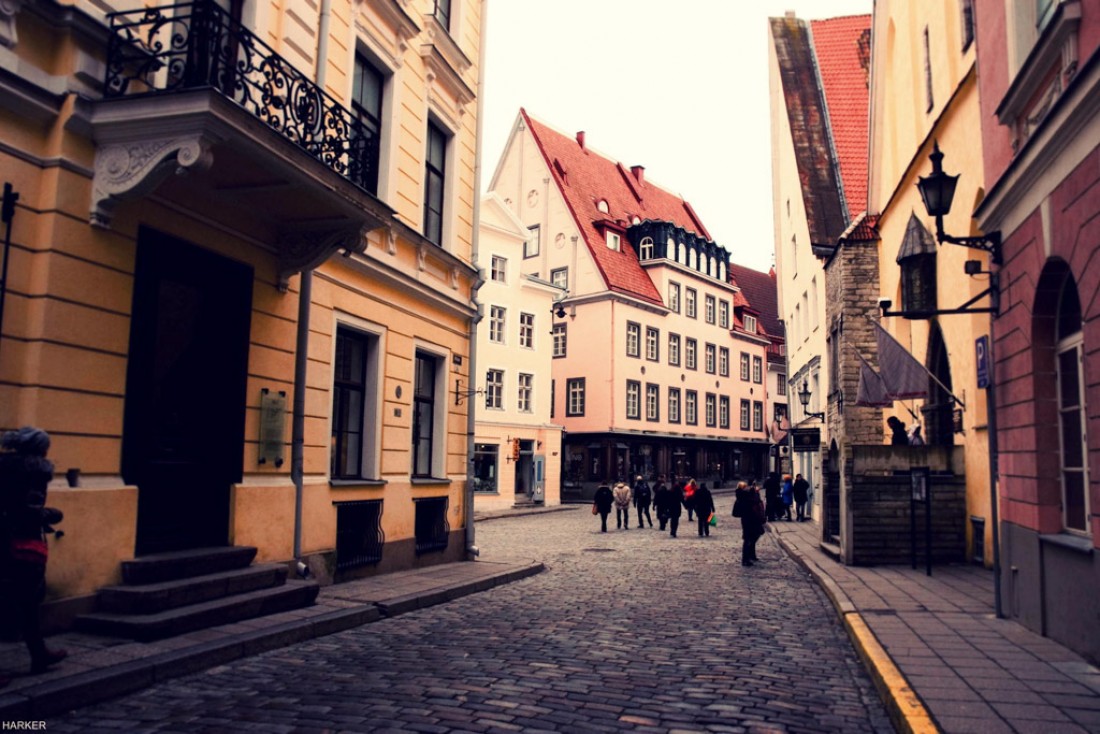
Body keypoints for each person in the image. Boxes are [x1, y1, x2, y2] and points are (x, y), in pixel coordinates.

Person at [0, 427, 67, 679]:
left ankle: (39, 654)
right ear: (41, 448)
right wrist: (51, 514)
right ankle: (39, 654)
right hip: (18, 543)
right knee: (23, 599)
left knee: (22, 601)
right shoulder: (35, 471)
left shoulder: (4, 465)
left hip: (4, 537)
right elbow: (28, 510)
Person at [731, 480, 765, 566]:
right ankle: (745, 559)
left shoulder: (743, 496)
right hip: (749, 520)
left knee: (753, 536)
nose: (747, 488)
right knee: (748, 539)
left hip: (749, 519)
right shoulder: (744, 497)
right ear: (743, 488)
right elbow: (756, 501)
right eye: (745, 487)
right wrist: (755, 493)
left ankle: (750, 555)